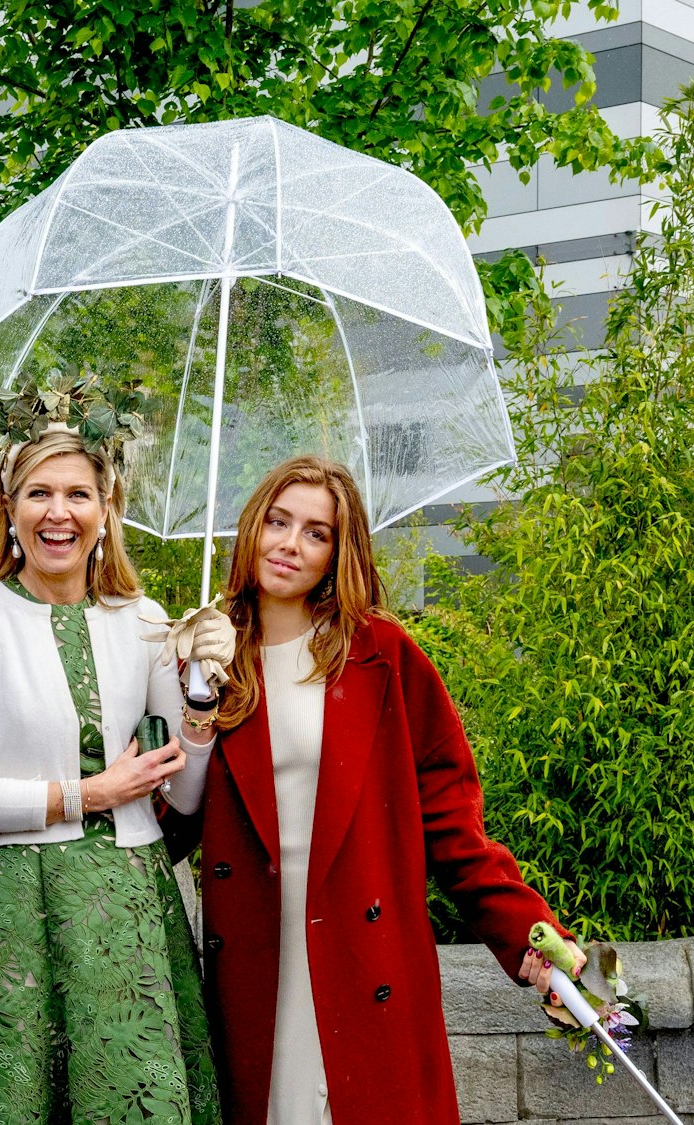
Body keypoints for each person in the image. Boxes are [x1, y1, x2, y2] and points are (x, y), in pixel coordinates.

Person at [189, 455, 584, 1124]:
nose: (289, 544)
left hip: (363, 948)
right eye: (278, 522)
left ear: (338, 554)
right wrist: (196, 701)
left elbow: (455, 830)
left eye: (316, 532)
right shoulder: (205, 655)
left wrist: (532, 937)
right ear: (252, 527)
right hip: (255, 957)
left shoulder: (384, 655)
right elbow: (168, 823)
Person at [0, 384, 229, 1124]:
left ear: (107, 508)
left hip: (131, 912)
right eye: (39, 493)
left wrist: (202, 698)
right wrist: (88, 794)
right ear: (9, 506)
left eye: (79, 494)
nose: (60, 512)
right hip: (13, 910)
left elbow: (181, 795)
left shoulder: (145, 619)